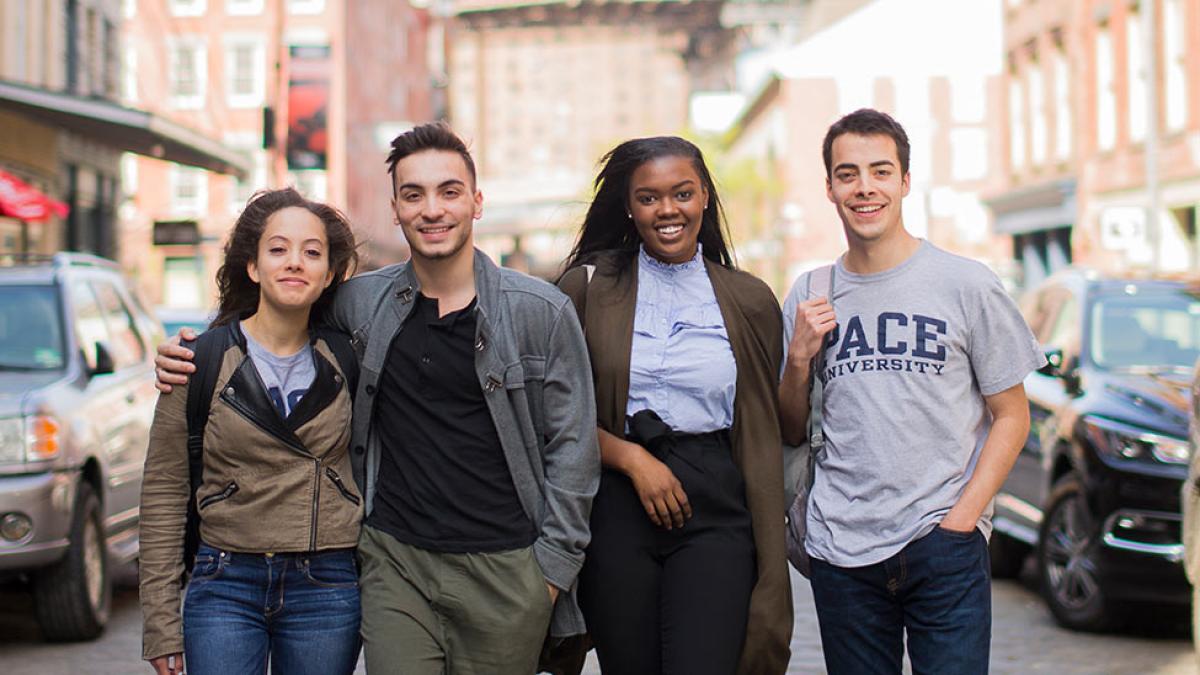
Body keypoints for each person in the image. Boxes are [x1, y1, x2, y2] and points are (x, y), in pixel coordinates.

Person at [154, 123, 600, 675]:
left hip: (507, 570)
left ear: (477, 202)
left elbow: (574, 448)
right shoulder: (361, 303)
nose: (431, 209)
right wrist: (194, 348)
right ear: (395, 209)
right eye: (414, 195)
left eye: (449, 191)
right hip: (394, 564)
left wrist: (551, 574)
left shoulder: (541, 312)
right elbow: (277, 314)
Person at [778, 108, 1043, 674]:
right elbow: (791, 428)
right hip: (841, 549)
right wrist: (799, 356)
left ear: (904, 181)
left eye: (880, 171)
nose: (864, 187)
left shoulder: (965, 284)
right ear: (829, 188)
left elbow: (1012, 415)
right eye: (848, 174)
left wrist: (962, 521)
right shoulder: (810, 291)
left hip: (941, 540)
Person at [557, 136, 792, 675]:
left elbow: (769, 421)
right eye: (648, 197)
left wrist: (799, 360)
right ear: (628, 206)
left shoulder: (750, 300)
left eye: (682, 193)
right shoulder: (584, 289)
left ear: (704, 197)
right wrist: (633, 460)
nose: (668, 210)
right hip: (615, 501)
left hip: (715, 502)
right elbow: (554, 416)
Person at [139, 187, 361, 675]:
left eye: (312, 252)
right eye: (278, 249)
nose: (295, 262)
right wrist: (160, 622)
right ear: (253, 266)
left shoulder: (350, 359)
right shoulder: (198, 362)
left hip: (326, 583)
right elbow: (163, 492)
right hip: (224, 581)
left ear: (328, 275)